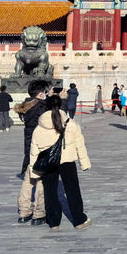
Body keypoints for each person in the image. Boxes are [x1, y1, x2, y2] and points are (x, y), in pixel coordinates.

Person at [29, 95, 91, 231]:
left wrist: (33, 172)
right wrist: (84, 163)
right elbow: (80, 145)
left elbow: (34, 152)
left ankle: (54, 223)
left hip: (48, 163)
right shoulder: (71, 124)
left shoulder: (39, 128)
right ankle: (79, 220)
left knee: (50, 192)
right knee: (73, 190)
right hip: (67, 161)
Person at [14, 80, 49, 225]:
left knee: (28, 181)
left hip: (29, 149)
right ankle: (39, 213)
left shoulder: (26, 106)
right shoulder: (41, 107)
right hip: (41, 148)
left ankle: (24, 211)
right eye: (45, 92)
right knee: (41, 181)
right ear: (41, 94)